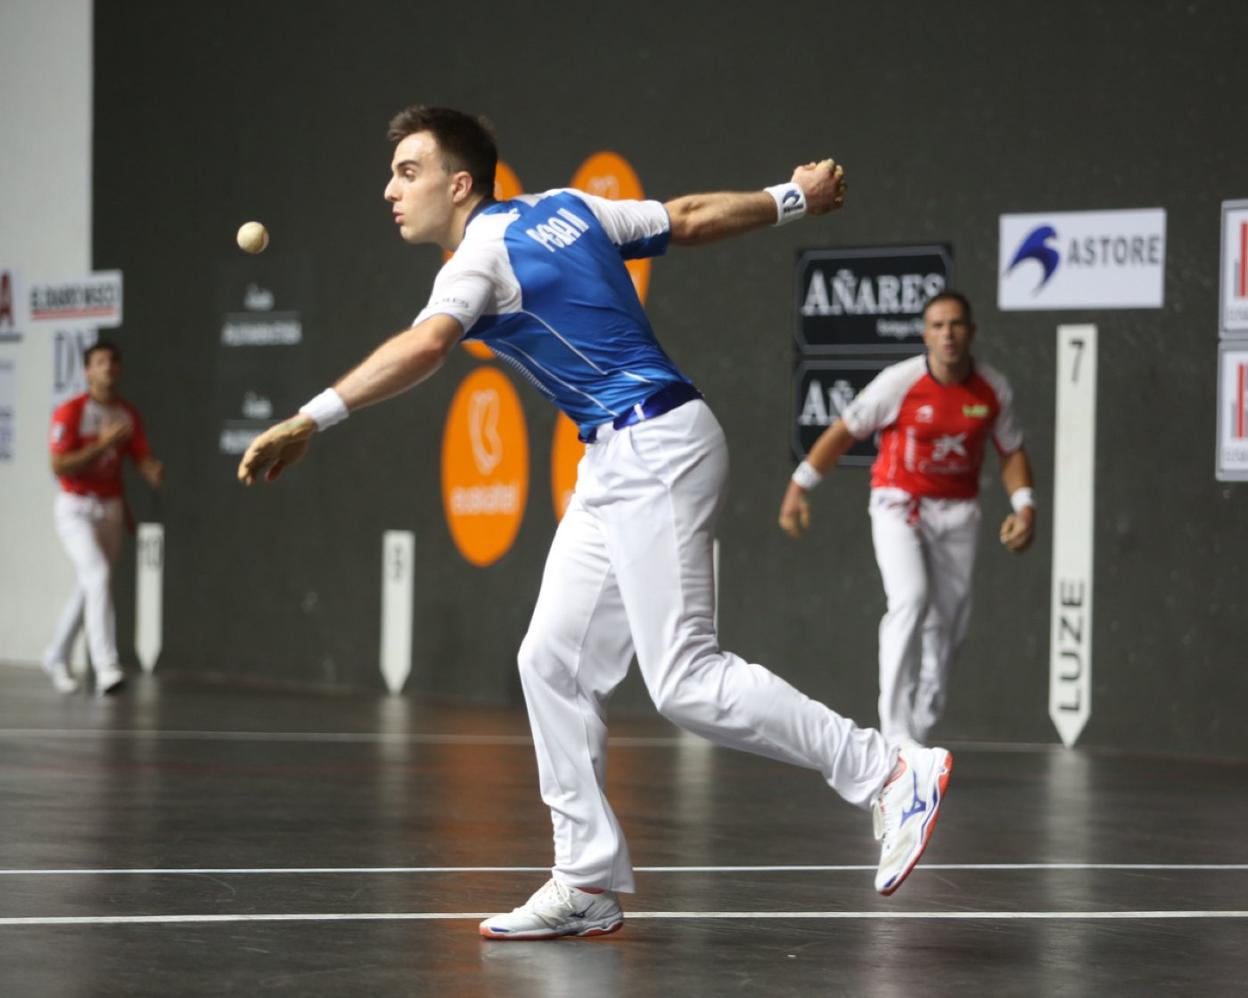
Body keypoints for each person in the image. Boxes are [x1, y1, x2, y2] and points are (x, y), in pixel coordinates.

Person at [237, 105, 953, 940]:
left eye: (407, 172)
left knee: (685, 680)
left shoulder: (479, 257)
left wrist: (311, 417)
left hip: (655, 446)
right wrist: (792, 198)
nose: (390, 191)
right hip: (618, 455)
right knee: (551, 661)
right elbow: (686, 217)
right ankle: (584, 879)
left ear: (459, 184)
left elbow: (428, 346)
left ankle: (888, 770)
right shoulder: (567, 206)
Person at [778, 291, 1036, 745]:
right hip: (899, 505)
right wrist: (799, 486)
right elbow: (843, 432)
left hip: (958, 513)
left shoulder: (993, 388)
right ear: (925, 335)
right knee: (910, 600)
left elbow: (1011, 450)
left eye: (956, 324)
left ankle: (920, 726)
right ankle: (896, 735)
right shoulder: (898, 382)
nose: (947, 334)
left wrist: (1025, 506)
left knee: (947, 629)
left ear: (971, 332)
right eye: (937, 326)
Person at [45, 340, 164, 694]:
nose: (108, 367)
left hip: (111, 508)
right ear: (87, 371)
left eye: (113, 361)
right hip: (75, 508)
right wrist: (101, 444)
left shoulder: (128, 415)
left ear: (119, 369)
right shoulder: (71, 412)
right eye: (100, 362)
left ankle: (56, 655)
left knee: (90, 585)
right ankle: (106, 666)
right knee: (97, 575)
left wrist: (150, 469)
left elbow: (140, 455)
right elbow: (59, 465)